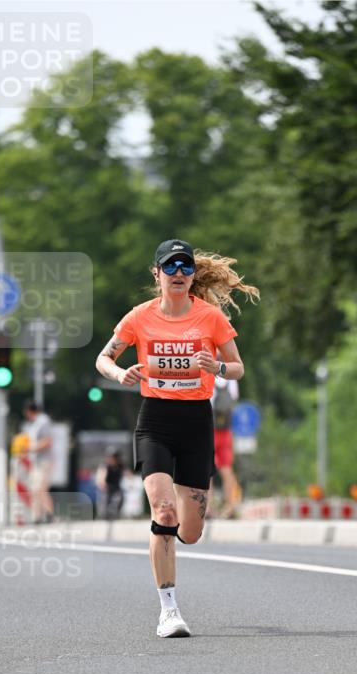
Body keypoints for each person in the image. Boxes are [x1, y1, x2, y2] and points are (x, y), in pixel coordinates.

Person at [96, 239, 258, 637]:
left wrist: (217, 365)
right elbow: (103, 358)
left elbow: (238, 368)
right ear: (157, 274)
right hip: (156, 421)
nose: (180, 274)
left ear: (192, 275)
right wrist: (121, 374)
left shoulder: (210, 317)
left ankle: (177, 542)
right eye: (171, 268)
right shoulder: (139, 317)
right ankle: (168, 610)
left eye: (186, 267)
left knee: (190, 530)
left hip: (196, 423)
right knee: (164, 513)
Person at [211, 375, 240, 518]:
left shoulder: (206, 375)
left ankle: (208, 508)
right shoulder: (230, 378)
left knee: (206, 469)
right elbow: (234, 399)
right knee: (227, 469)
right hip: (226, 431)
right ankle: (230, 507)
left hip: (209, 429)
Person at [22, 400, 54, 523]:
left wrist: (31, 448)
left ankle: (49, 514)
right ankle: (37, 516)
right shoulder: (35, 423)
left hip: (44, 461)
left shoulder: (43, 422)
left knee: (40, 488)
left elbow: (47, 441)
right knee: (34, 488)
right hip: (37, 460)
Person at [95, 449, 125, 519]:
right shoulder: (104, 466)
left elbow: (127, 473)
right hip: (106, 487)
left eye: (115, 457)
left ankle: (114, 514)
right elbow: (101, 477)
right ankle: (102, 517)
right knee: (104, 503)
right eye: (111, 457)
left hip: (116, 487)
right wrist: (102, 484)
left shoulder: (120, 466)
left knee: (120, 498)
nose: (113, 459)